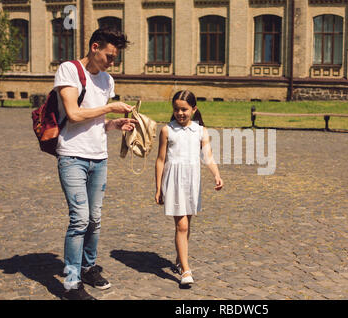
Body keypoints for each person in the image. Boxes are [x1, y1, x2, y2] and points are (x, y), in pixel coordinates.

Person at [55, 28, 137, 300]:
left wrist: (114, 124)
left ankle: (88, 267)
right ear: (94, 47)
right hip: (72, 156)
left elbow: (95, 122)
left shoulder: (107, 80)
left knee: (95, 219)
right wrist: (110, 109)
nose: (112, 63)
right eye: (109, 56)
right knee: (79, 219)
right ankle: (70, 283)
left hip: (99, 157)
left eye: (115, 58)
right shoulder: (68, 70)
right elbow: (74, 114)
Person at [155, 90, 223, 285]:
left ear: (194, 109)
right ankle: (185, 271)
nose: (180, 113)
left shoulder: (201, 131)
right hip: (174, 181)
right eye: (176, 109)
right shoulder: (167, 130)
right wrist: (158, 188)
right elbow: (160, 160)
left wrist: (216, 175)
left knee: (187, 224)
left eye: (184, 109)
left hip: (192, 181)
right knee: (182, 225)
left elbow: (208, 156)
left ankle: (179, 257)